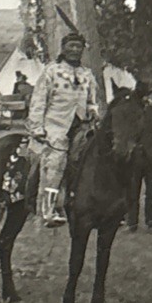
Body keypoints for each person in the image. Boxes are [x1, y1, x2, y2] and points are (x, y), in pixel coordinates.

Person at [27, 30, 100, 226]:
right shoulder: (52, 72)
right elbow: (38, 101)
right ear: (63, 49)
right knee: (56, 164)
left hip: (82, 127)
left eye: (78, 47)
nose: (75, 50)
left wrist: (93, 111)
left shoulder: (87, 75)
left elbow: (92, 101)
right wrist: (37, 128)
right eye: (71, 46)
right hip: (54, 127)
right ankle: (48, 211)